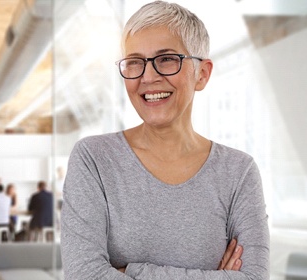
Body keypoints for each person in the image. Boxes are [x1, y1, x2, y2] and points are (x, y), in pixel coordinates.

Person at [61, 1, 270, 279]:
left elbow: (254, 277)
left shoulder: (238, 172)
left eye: (167, 59)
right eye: (135, 62)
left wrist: (133, 271)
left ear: (202, 73)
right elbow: (83, 275)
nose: (148, 77)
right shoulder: (93, 159)